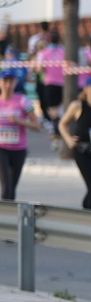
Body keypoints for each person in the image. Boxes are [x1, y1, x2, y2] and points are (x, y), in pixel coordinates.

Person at [58, 73, 91, 210]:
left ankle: (86, 209)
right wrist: (68, 139)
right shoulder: (78, 106)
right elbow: (62, 124)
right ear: (86, 89)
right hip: (83, 152)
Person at [0, 69, 42, 202]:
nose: (8, 85)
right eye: (5, 81)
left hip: (19, 149)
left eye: (11, 81)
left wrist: (19, 121)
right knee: (7, 186)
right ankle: (5, 212)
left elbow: (37, 126)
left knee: (12, 187)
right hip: (1, 148)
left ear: (15, 83)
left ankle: (8, 212)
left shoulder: (23, 101)